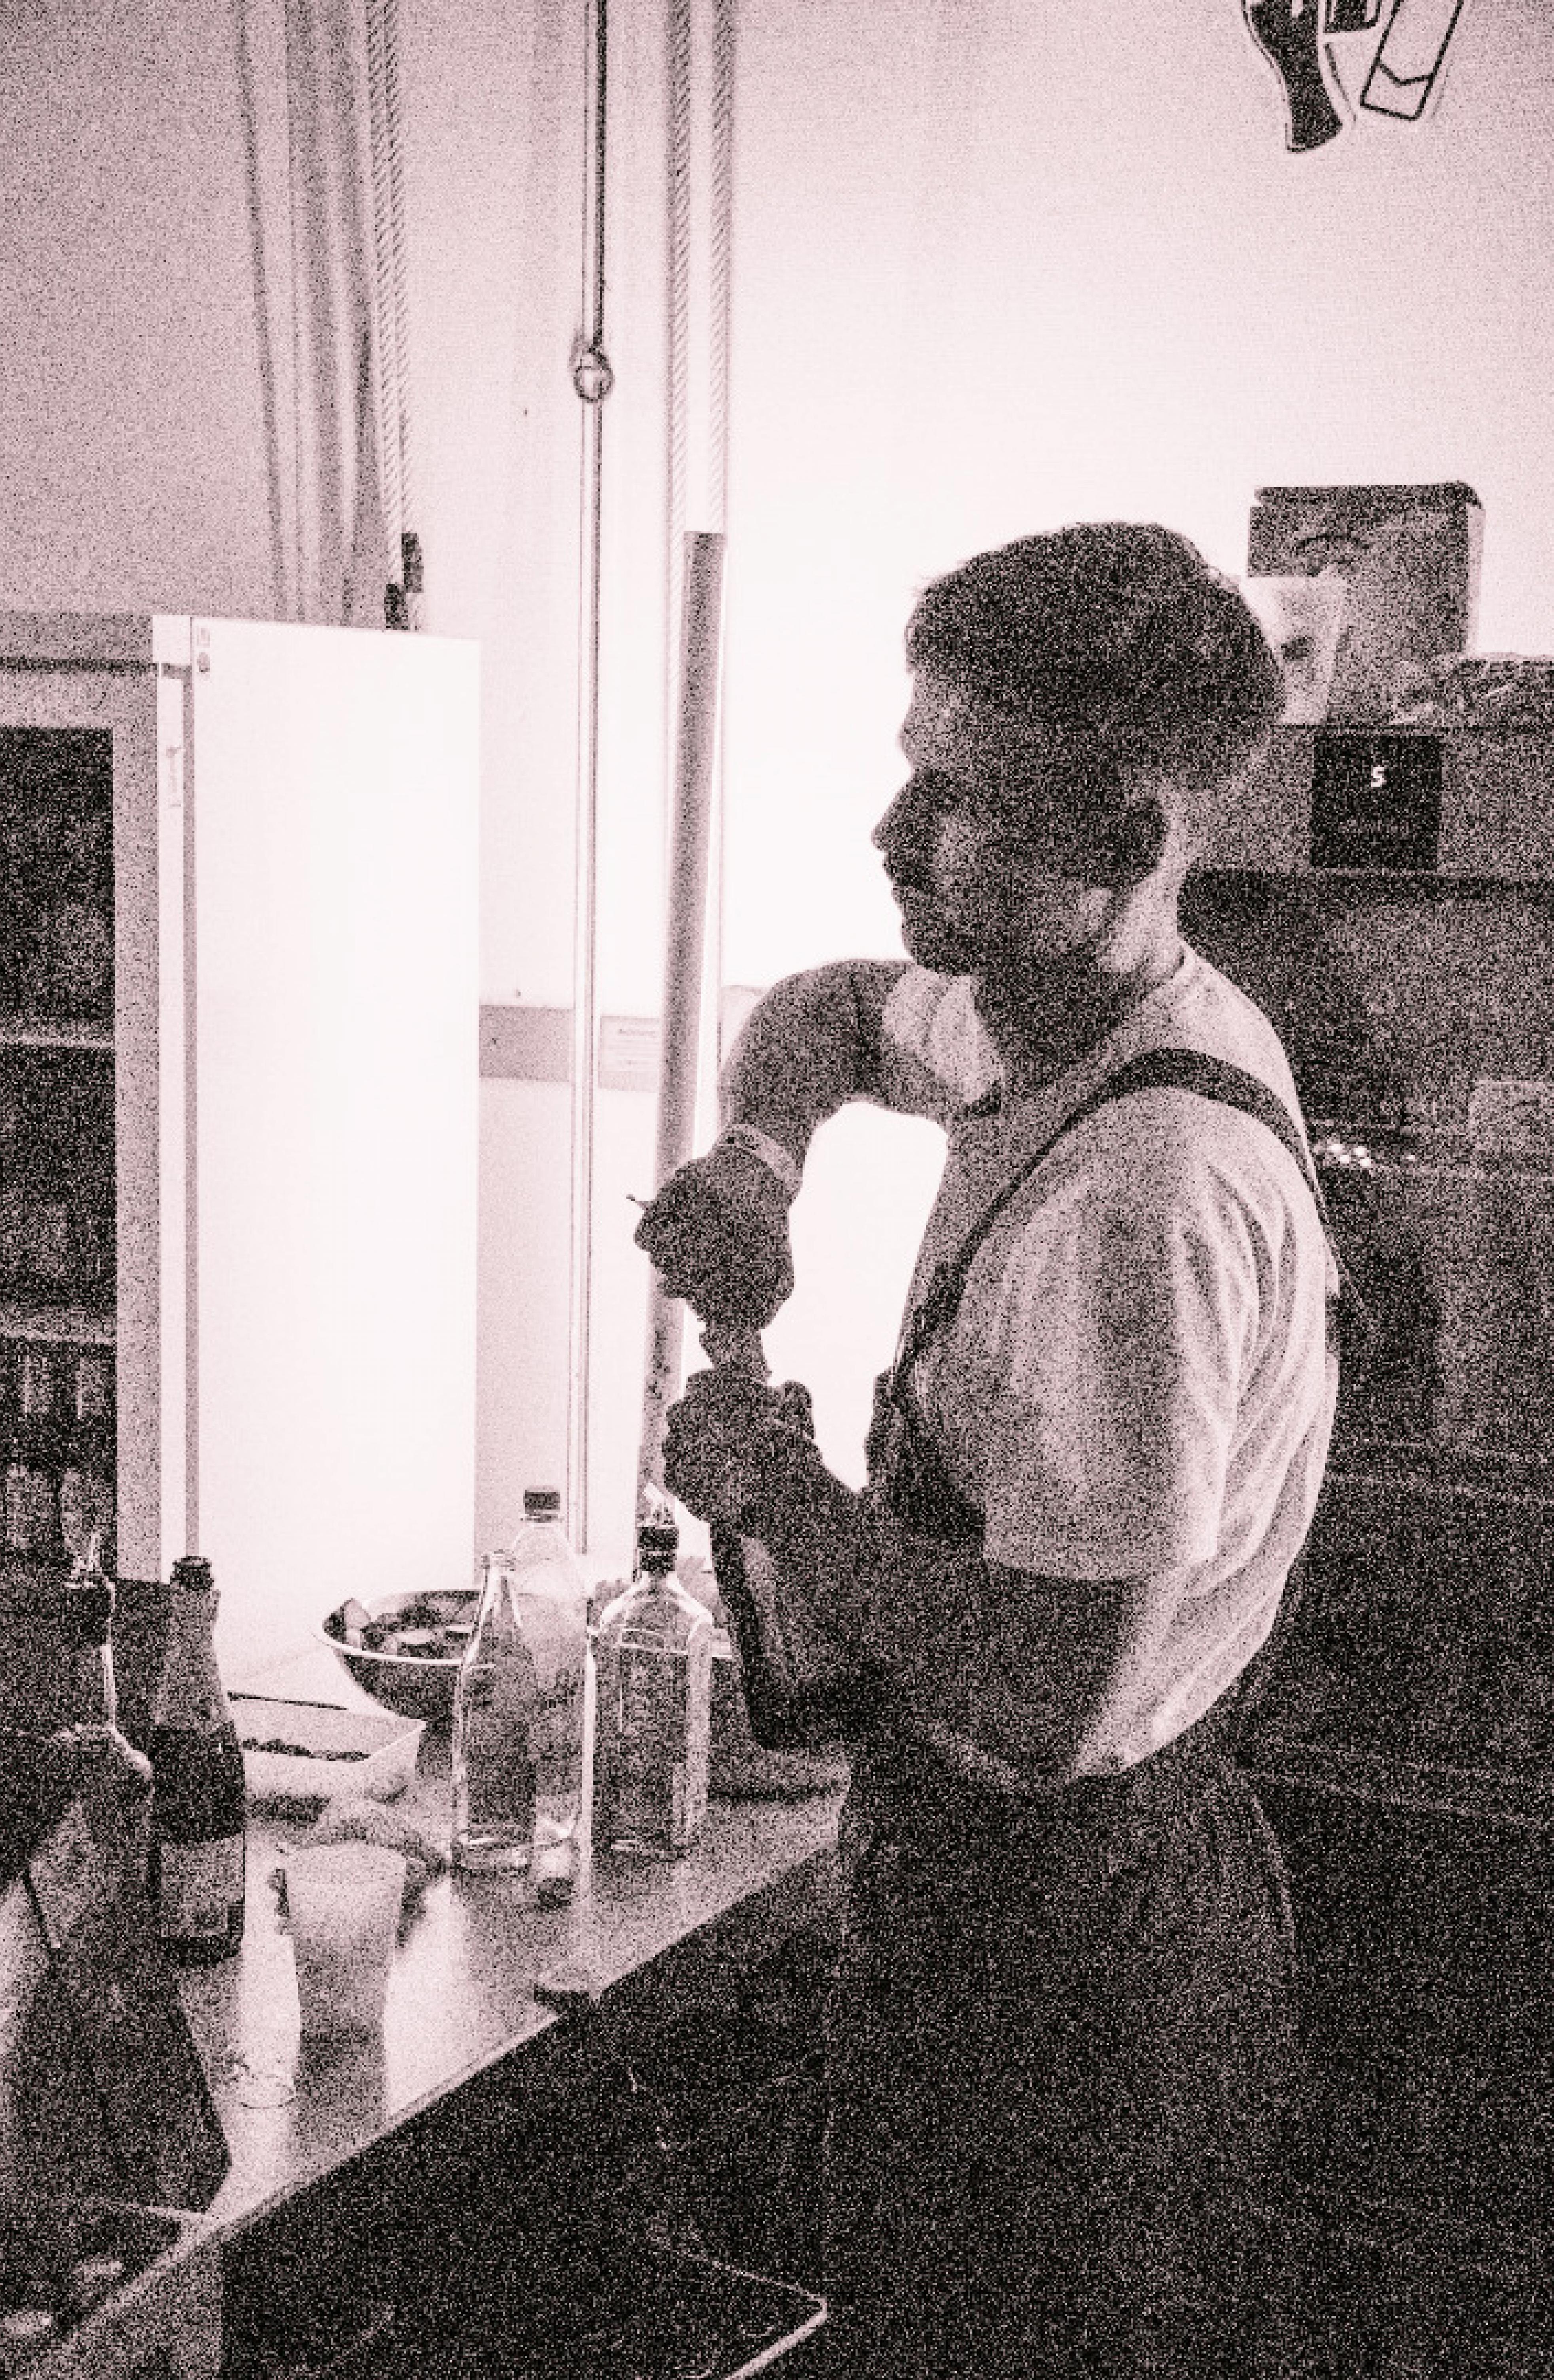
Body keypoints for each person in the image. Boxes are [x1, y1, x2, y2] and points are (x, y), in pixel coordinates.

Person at [637, 522, 1338, 2380]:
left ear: (1124, 837)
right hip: (1017, 1900)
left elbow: (1052, 1687)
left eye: (958, 801)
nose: (891, 830)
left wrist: (776, 1491)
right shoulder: (1064, 1025)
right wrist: (761, 1163)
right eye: (909, 765)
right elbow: (818, 1011)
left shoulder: (1143, 1196)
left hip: (1068, 1969)